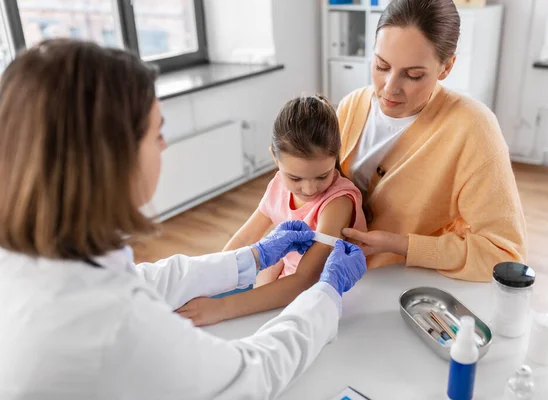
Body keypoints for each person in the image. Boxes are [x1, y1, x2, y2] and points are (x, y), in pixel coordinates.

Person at [0, 39, 367, 400]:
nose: (163, 146)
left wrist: (253, 258)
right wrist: (326, 294)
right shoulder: (113, 323)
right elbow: (251, 376)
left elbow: (147, 280)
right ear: (113, 157)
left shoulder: (33, 260)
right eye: (156, 133)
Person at [338, 0, 527, 282]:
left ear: (446, 67)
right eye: (381, 66)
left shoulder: (472, 128)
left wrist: (403, 246)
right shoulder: (353, 105)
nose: (389, 88)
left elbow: (505, 255)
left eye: (413, 75)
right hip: (333, 272)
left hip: (398, 284)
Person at [177, 95, 367, 326]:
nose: (309, 188)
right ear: (274, 158)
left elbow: (305, 279)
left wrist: (221, 307)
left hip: (321, 296)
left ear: (336, 156)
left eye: (322, 176)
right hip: (285, 279)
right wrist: (206, 279)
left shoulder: (337, 203)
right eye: (295, 177)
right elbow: (245, 237)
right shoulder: (278, 185)